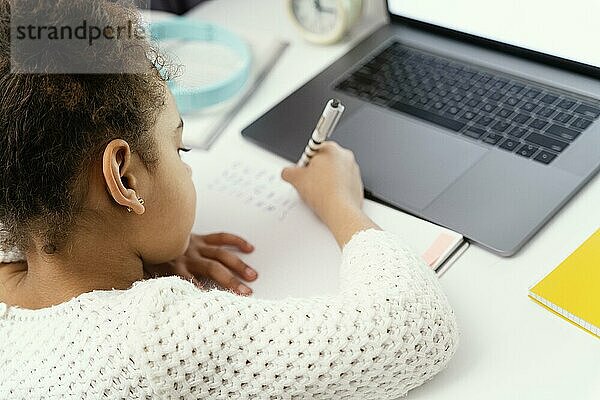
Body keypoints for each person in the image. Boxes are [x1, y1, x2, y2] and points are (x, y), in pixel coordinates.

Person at [0, 1, 458, 398]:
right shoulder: (152, 339)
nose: (188, 166)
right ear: (124, 179)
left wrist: (140, 233)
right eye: (179, 148)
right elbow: (410, 330)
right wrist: (341, 203)